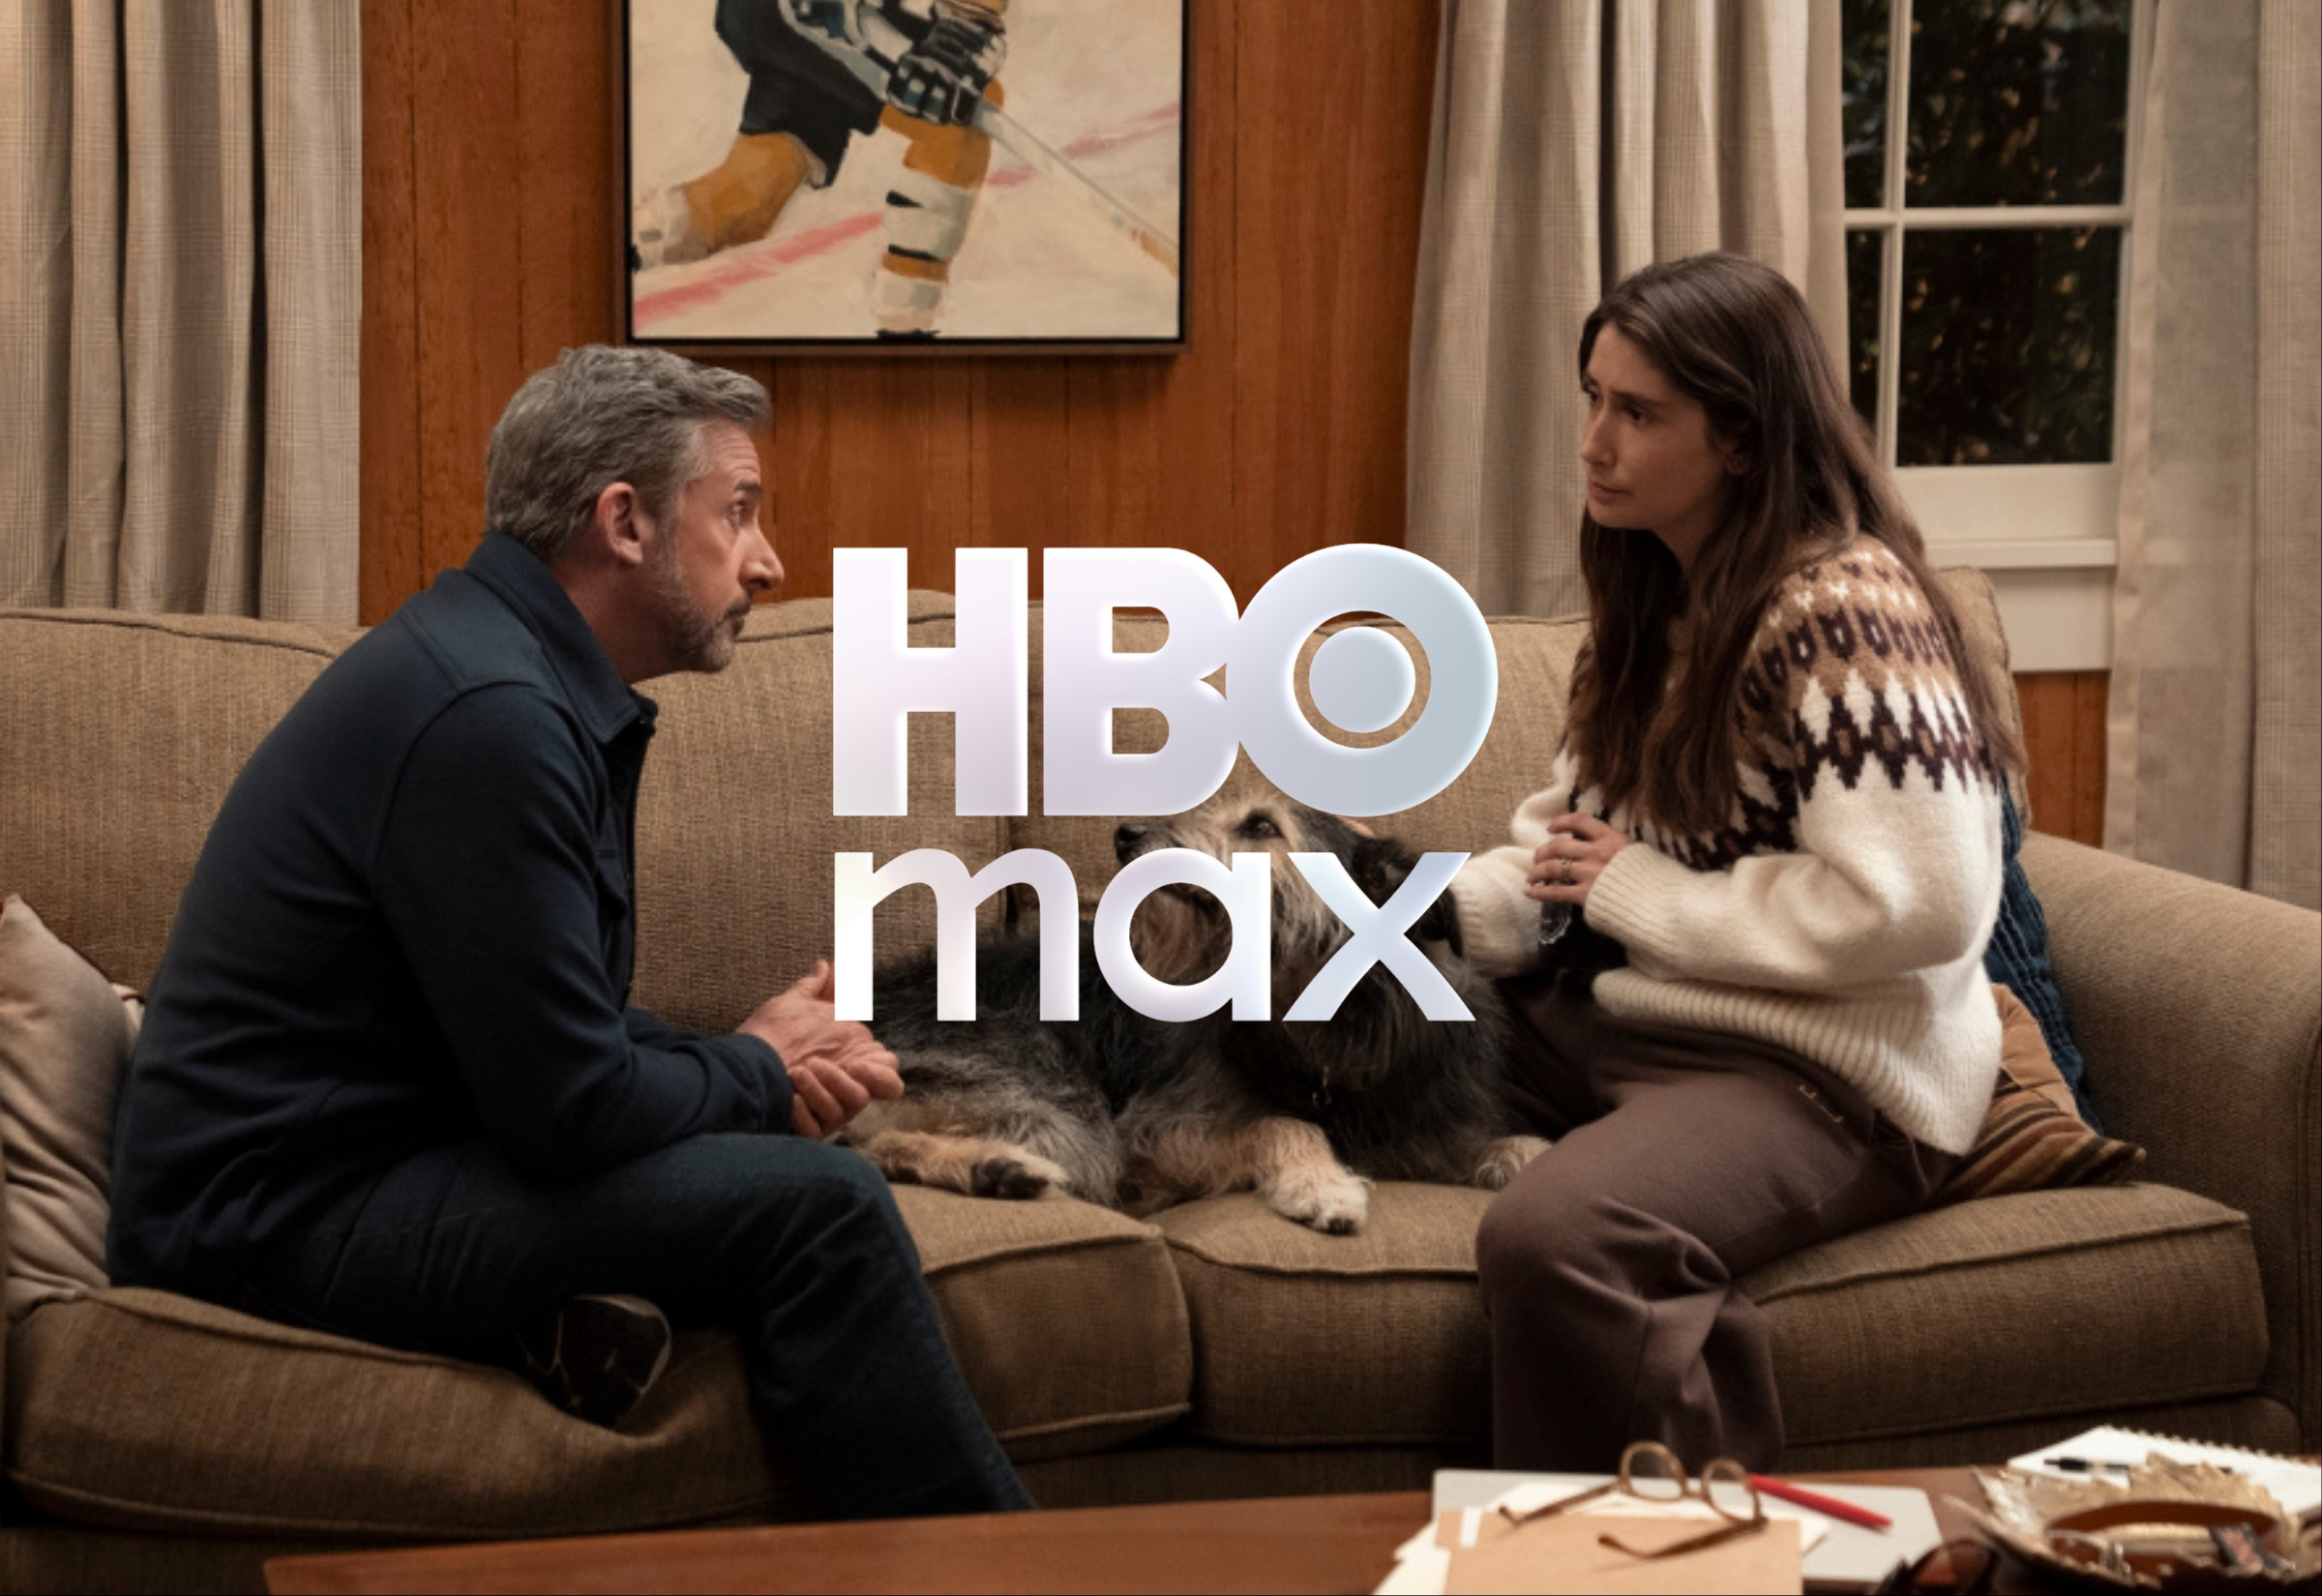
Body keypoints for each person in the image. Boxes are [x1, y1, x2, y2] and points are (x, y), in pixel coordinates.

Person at [105, 344, 1032, 1520]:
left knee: (781, 1174)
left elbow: (551, 1031)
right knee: (824, 1210)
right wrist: (757, 1071)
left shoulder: (498, 671)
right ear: (624, 522)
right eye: (738, 512)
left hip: (364, 1158)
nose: (768, 562)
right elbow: (570, 1109)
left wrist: (745, 1059)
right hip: (269, 1220)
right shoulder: (487, 718)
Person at [1449, 252, 2023, 1472]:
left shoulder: (1845, 612)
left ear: (1745, 440)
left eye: (1639, 413)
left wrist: (1638, 893)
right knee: (1340, 1029)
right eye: (1592, 398)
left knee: (1555, 1236)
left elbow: (1921, 904)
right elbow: (1569, 855)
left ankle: (1674, 1539)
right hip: (1639, 1014)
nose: (1594, 443)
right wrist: (1409, 914)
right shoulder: (1650, 602)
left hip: (1821, 1069)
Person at [633, 0, 1009, 339]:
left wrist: (961, 35)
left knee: (743, 205)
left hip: (785, 19)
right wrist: (962, 32)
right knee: (958, 110)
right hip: (813, 15)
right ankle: (907, 333)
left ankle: (624, 242)